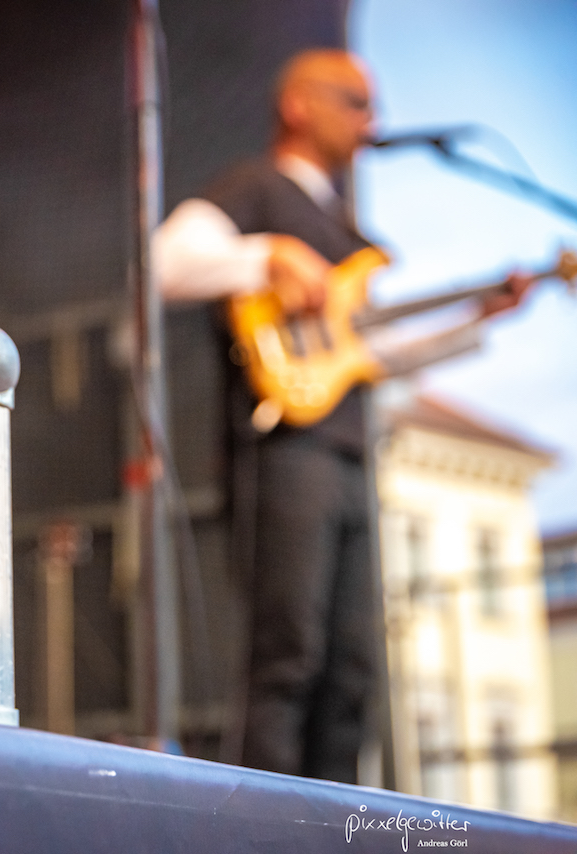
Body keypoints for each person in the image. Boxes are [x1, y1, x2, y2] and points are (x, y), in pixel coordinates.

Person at [154, 49, 527, 782]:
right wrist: (268, 255)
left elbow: (369, 353)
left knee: (352, 666)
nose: (371, 119)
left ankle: (339, 823)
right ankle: (267, 825)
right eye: (356, 100)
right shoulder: (257, 189)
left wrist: (474, 319)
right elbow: (166, 263)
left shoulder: (346, 227)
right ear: (299, 105)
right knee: (288, 652)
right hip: (284, 448)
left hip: (351, 451)